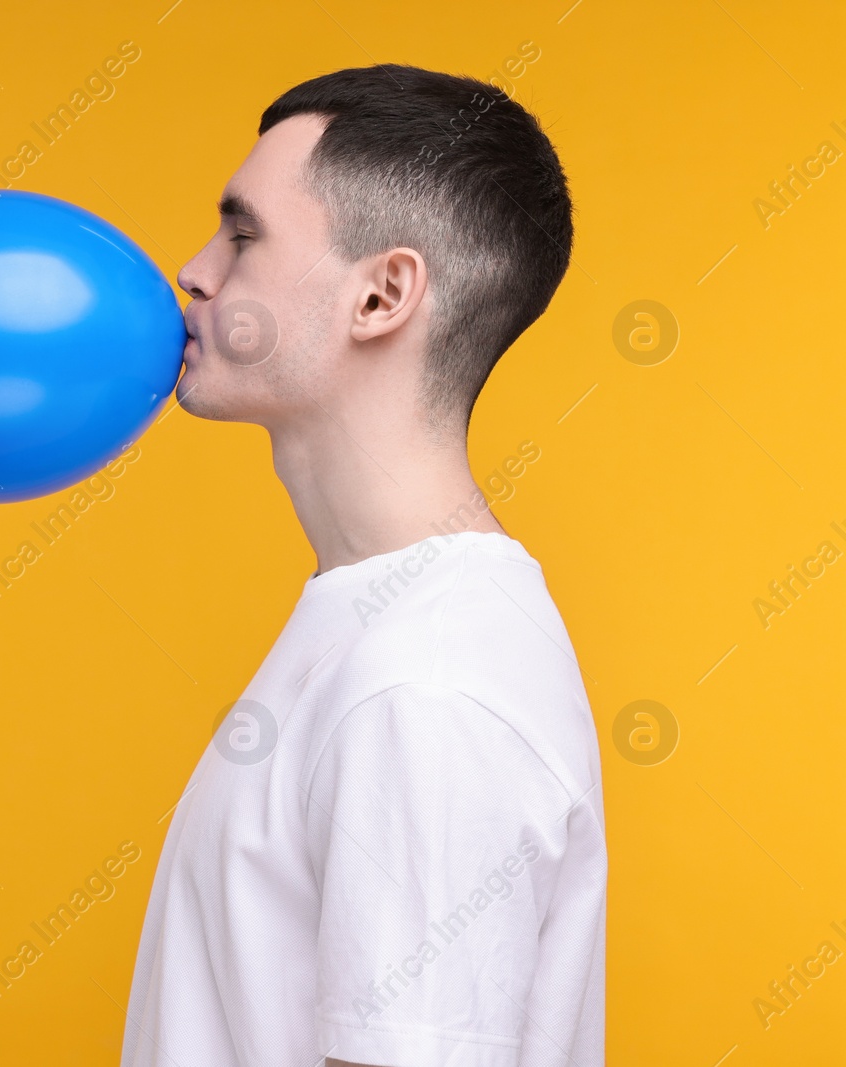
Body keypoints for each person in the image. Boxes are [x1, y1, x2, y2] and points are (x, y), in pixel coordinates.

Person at [121, 65, 606, 1067]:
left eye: (243, 235)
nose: (194, 269)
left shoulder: (425, 684)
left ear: (382, 294)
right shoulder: (382, 628)